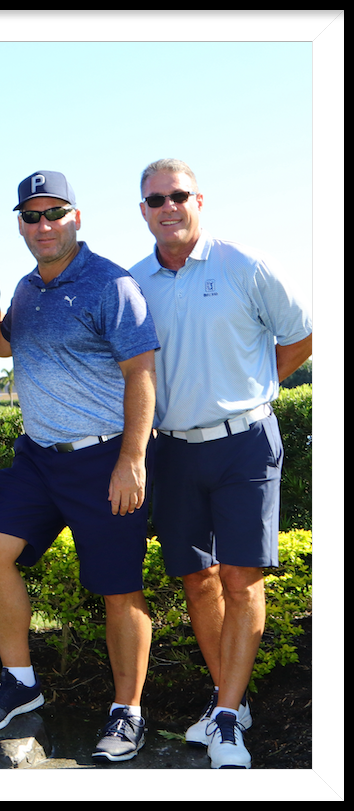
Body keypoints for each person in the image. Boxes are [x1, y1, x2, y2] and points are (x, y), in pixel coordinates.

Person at [0, 171, 160, 763]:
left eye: (55, 213)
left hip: (104, 459)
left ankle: (128, 713)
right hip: (39, 459)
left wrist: (132, 459)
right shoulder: (28, 288)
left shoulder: (111, 284)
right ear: (21, 226)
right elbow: (3, 344)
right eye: (31, 216)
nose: (43, 225)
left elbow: (141, 374)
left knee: (119, 590)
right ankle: (21, 683)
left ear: (77, 218)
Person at [129, 158, 313, 769]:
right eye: (156, 200)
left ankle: (228, 719)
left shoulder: (246, 266)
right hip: (173, 450)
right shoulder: (134, 284)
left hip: (245, 444)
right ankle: (228, 698)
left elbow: (302, 334)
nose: (169, 207)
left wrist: (260, 385)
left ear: (199, 201)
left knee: (240, 577)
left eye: (178, 196)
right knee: (197, 578)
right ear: (143, 211)